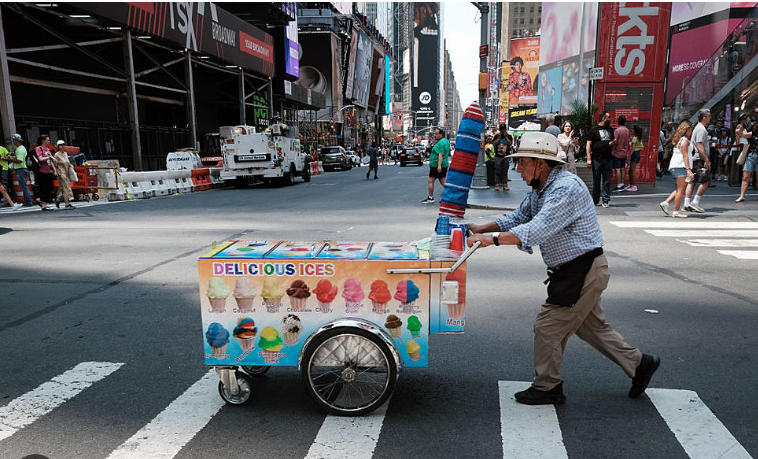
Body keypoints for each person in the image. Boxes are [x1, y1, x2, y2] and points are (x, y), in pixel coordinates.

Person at [467, 131, 660, 405]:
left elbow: (536, 229)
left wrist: (491, 240)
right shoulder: (541, 187)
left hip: (582, 271)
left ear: (541, 163)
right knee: (590, 327)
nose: (518, 169)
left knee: (548, 327)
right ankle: (640, 364)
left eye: (522, 162)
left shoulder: (565, 189)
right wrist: (481, 227)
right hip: (576, 270)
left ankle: (548, 386)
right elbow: (520, 216)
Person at [659, 121, 695, 217]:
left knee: (680, 188)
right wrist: (688, 169)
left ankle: (666, 203)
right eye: (690, 130)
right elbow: (685, 155)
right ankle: (676, 211)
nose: (691, 132)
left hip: (677, 166)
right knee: (681, 190)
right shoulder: (685, 141)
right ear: (687, 130)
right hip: (681, 166)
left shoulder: (679, 139)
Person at [586, 111, 618, 208]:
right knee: (596, 180)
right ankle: (595, 199)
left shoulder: (610, 130)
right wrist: (589, 158)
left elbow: (613, 141)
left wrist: (613, 143)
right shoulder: (594, 130)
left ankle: (606, 199)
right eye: (609, 117)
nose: (610, 119)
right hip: (597, 159)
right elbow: (588, 144)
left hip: (608, 158)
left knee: (606, 180)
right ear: (603, 118)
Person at [683, 109, 712, 213]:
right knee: (706, 180)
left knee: (692, 181)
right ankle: (695, 202)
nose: (710, 119)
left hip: (695, 158)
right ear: (704, 117)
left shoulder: (697, 128)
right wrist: (706, 159)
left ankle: (686, 204)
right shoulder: (701, 129)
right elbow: (700, 146)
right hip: (699, 158)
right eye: (709, 117)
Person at [421, 127, 450, 203]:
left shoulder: (441, 143)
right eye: (435, 133)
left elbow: (441, 154)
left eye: (436, 134)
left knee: (431, 180)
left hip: (437, 165)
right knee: (443, 181)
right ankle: (450, 196)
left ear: (441, 134)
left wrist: (439, 166)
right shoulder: (446, 141)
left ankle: (431, 197)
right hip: (443, 164)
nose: (435, 135)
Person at [735, 117, 756, 203]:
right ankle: (742, 196)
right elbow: (742, 135)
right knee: (745, 176)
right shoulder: (753, 133)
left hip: (753, 155)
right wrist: (738, 132)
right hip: (751, 155)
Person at [8, 134, 33, 207]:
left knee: (23, 186)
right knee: (23, 186)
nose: (13, 142)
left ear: (16, 140)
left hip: (20, 169)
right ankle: (27, 201)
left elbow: (19, 160)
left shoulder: (20, 149)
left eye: (14, 140)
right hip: (21, 169)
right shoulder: (21, 148)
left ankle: (28, 201)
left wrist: (10, 159)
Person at [33, 134, 56, 211]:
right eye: (47, 140)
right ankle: (44, 205)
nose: (49, 141)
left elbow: (50, 161)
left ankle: (40, 199)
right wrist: (49, 157)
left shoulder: (48, 149)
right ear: (43, 141)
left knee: (50, 187)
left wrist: (54, 170)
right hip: (41, 171)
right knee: (44, 188)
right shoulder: (39, 148)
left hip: (48, 170)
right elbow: (40, 158)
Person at [52, 140, 75, 209]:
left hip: (66, 171)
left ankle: (58, 199)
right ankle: (67, 203)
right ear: (58, 146)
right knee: (66, 187)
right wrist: (55, 171)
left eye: (63, 145)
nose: (62, 146)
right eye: (61, 145)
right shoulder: (56, 155)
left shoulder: (65, 153)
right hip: (61, 172)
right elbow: (54, 164)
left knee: (62, 187)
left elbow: (68, 162)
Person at [612, 115, 631, 191]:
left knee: (617, 169)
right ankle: (622, 183)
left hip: (617, 152)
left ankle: (619, 184)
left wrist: (612, 149)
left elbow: (615, 141)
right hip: (624, 151)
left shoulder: (617, 130)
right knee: (623, 168)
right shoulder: (627, 130)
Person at [492, 124, 513, 191]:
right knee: (497, 170)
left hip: (506, 156)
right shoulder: (497, 136)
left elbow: (510, 144)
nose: (503, 131)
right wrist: (499, 136)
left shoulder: (509, 136)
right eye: (502, 130)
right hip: (498, 156)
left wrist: (506, 136)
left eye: (504, 130)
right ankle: (497, 184)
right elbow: (494, 144)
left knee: (505, 171)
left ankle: (505, 184)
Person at [627, 125, 644, 191]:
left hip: (634, 154)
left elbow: (633, 148)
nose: (632, 130)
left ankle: (634, 186)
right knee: (630, 170)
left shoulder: (634, 138)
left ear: (635, 131)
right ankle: (631, 184)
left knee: (632, 170)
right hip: (637, 153)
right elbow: (642, 147)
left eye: (633, 129)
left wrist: (630, 155)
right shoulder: (639, 138)